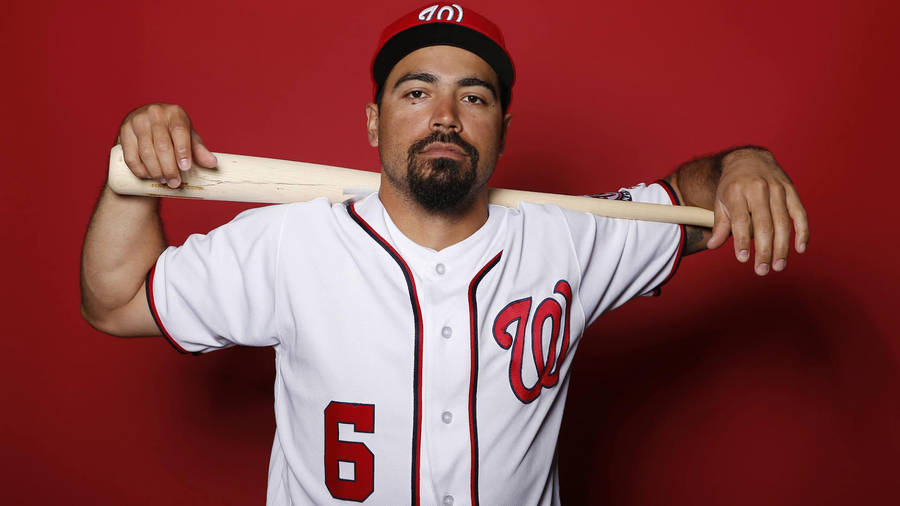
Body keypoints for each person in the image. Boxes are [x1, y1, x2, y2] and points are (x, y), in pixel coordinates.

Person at [80, 4, 809, 505]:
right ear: (374, 122)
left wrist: (743, 162)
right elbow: (115, 301)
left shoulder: (570, 238)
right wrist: (133, 180)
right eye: (416, 92)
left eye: (475, 98)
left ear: (503, 128)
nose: (445, 118)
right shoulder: (289, 243)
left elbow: (691, 205)